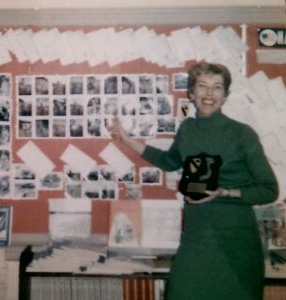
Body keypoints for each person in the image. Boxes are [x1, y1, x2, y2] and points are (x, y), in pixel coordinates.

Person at [109, 62, 278, 300]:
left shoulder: (242, 134)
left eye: (217, 87)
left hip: (235, 241)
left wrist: (224, 192)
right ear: (191, 92)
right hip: (196, 237)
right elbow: (169, 161)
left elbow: (269, 190)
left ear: (226, 95)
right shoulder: (187, 129)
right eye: (203, 86)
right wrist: (126, 140)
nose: (209, 94)